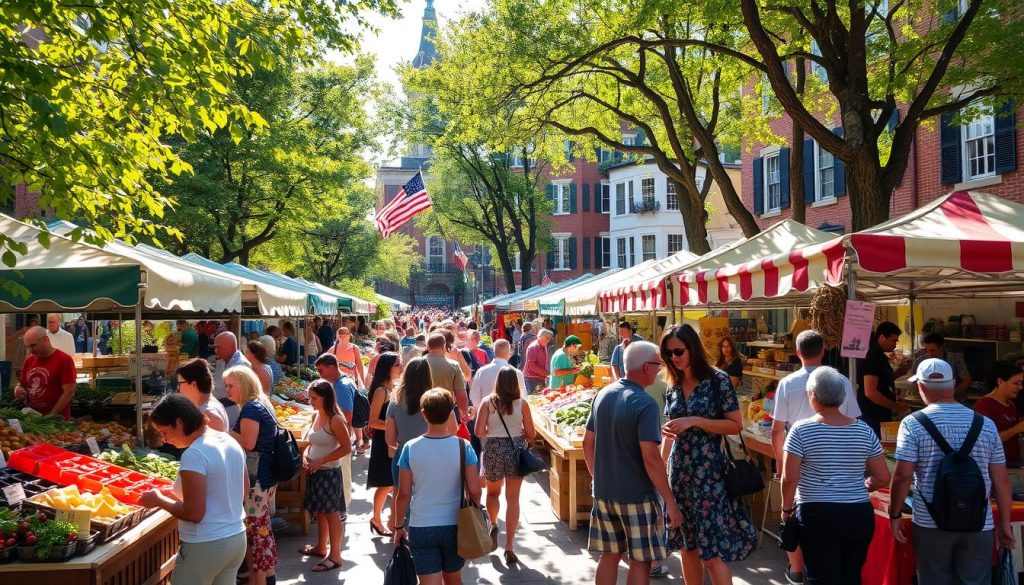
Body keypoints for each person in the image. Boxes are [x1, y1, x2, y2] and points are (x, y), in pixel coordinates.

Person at [889, 358, 1014, 584]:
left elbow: (903, 475)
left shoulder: (912, 424)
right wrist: (1005, 523)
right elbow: (1002, 480)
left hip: (930, 522)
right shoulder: (986, 424)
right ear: (954, 384)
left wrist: (895, 513)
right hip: (979, 522)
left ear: (921, 387)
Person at [660, 324, 756, 584]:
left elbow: (735, 424)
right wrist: (660, 465)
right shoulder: (673, 386)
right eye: (668, 354)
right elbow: (672, 431)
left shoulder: (717, 380)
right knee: (687, 548)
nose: (674, 358)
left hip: (710, 475)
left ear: (692, 348)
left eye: (678, 351)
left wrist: (695, 420)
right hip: (680, 474)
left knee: (712, 554)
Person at [780, 367, 891, 585]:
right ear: (842, 397)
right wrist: (861, 486)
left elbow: (789, 478)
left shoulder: (801, 430)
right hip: (858, 513)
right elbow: (883, 476)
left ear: (812, 395)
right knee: (851, 576)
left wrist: (785, 510)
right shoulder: (864, 430)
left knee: (820, 576)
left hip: (816, 513)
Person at [584, 340, 682, 585]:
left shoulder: (603, 394)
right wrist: (670, 501)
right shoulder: (645, 403)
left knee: (609, 555)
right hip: (637, 495)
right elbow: (650, 458)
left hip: (605, 492)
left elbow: (588, 442)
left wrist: (597, 479)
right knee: (640, 560)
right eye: (658, 365)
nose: (660, 369)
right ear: (647, 367)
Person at [770, 329, 861, 583]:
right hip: (835, 455)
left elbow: (777, 429)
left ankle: (797, 569)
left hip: (796, 455)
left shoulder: (787, 383)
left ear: (797, 352)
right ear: (823, 351)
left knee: (795, 514)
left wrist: (780, 462)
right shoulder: (840, 380)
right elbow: (854, 420)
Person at [142, 395, 247, 585]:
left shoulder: (194, 454)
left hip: (206, 545)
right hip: (236, 538)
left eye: (164, 432)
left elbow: (194, 513)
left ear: (179, 422)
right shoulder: (228, 440)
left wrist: (159, 499)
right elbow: (243, 489)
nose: (164, 440)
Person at [392, 389, 481, 585]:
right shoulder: (463, 446)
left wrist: (398, 526)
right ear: (451, 412)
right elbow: (474, 490)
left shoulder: (410, 448)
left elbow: (404, 494)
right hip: (455, 524)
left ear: (423, 414)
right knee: (454, 579)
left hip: (421, 525)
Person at [474, 367, 537, 565]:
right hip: (515, 450)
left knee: (493, 493)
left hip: (493, 449)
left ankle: (493, 523)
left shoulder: (488, 402)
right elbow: (531, 433)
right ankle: (509, 546)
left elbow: (478, 431)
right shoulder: (522, 404)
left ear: (498, 382)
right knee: (513, 498)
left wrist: (492, 429)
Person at [224, 366, 278, 585]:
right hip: (265, 476)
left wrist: (223, 432)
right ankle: (268, 576)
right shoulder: (261, 403)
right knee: (262, 528)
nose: (227, 390)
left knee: (256, 531)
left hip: (256, 479)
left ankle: (260, 580)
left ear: (244, 384)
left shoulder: (250, 409)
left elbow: (248, 443)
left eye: (231, 385)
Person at [299, 379, 352, 572]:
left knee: (331, 514)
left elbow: (346, 447)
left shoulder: (335, 419)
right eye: (310, 398)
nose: (311, 401)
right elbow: (312, 443)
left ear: (326, 397)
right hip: (317, 472)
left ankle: (335, 556)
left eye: (314, 398)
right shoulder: (317, 415)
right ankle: (321, 547)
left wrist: (321, 460)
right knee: (321, 511)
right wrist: (306, 455)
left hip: (328, 473)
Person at [856, 322, 910, 438]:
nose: (895, 344)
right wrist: (895, 406)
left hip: (879, 413)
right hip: (873, 414)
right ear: (882, 337)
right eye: (893, 340)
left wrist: (899, 372)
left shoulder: (879, 355)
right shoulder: (873, 356)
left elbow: (881, 379)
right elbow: (870, 392)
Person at [315, 353, 357, 502]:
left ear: (332, 367)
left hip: (340, 438)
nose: (319, 374)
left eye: (321, 370)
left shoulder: (340, 386)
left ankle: (342, 508)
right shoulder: (344, 380)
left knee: (343, 476)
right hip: (343, 436)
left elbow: (346, 416)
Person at [367, 352, 400, 537]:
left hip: (390, 440)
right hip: (383, 441)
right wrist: (394, 425)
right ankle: (376, 519)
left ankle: (383, 519)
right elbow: (372, 421)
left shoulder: (391, 387)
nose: (400, 367)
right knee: (387, 483)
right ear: (388, 367)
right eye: (397, 364)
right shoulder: (381, 390)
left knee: (392, 483)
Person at [14, 326, 76, 419]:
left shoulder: (64, 360)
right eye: (28, 346)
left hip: (56, 421)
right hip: (32, 418)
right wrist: (18, 389)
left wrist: (51, 415)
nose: (30, 350)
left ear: (45, 340)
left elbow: (69, 392)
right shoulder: (29, 360)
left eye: (33, 345)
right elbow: (22, 384)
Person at [973, 360, 1024, 465]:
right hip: (995, 466)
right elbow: (985, 440)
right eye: (1016, 383)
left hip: (1012, 462)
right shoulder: (985, 405)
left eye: (1021, 383)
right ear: (1000, 381)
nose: (1020, 387)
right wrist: (1017, 429)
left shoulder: (1010, 404)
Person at [914, 333, 973, 402]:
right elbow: (914, 380)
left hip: (952, 401)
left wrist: (951, 394)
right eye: (927, 350)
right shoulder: (920, 361)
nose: (929, 354)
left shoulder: (955, 359)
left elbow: (967, 380)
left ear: (941, 347)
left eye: (933, 350)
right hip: (927, 402)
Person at [424, 333, 470, 421]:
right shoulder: (453, 365)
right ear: (444, 346)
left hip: (423, 411)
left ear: (427, 347)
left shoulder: (417, 364)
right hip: (446, 412)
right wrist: (464, 414)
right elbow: (461, 394)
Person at [177, 358, 229, 432]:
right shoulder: (207, 406)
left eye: (180, 383)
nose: (178, 388)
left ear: (193, 384)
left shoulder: (209, 414)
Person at [213, 332, 250, 429]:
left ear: (231, 346)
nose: (216, 350)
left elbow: (240, 396)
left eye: (218, 347)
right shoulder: (222, 360)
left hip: (233, 414)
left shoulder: (240, 365)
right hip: (222, 411)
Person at [523, 329, 553, 393]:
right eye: (547, 338)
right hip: (532, 378)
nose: (548, 340)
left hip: (540, 378)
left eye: (549, 339)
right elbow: (531, 366)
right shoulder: (533, 347)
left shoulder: (543, 346)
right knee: (533, 398)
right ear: (539, 337)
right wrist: (546, 373)